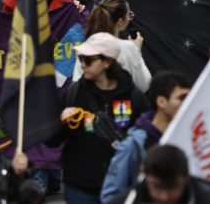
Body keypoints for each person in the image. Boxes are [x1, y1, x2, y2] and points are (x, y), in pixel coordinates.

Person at [58, 33, 150, 204]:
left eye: (88, 60)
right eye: (80, 58)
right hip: (80, 188)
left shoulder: (134, 97)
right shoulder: (73, 94)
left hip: (122, 188)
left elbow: (147, 139)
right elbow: (52, 140)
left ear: (107, 62)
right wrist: (62, 123)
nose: (82, 64)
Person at [100, 71, 192, 203]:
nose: (188, 103)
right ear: (161, 102)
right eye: (182, 98)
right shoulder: (134, 145)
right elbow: (111, 196)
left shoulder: (189, 139)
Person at [73, 0, 152, 92]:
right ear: (121, 21)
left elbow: (76, 84)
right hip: (122, 105)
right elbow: (144, 85)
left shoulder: (85, 47)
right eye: (129, 15)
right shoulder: (128, 48)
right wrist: (137, 51)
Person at [107, 144, 210, 204]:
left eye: (173, 187)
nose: (164, 197)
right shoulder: (124, 202)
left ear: (186, 176)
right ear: (144, 173)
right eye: (156, 187)